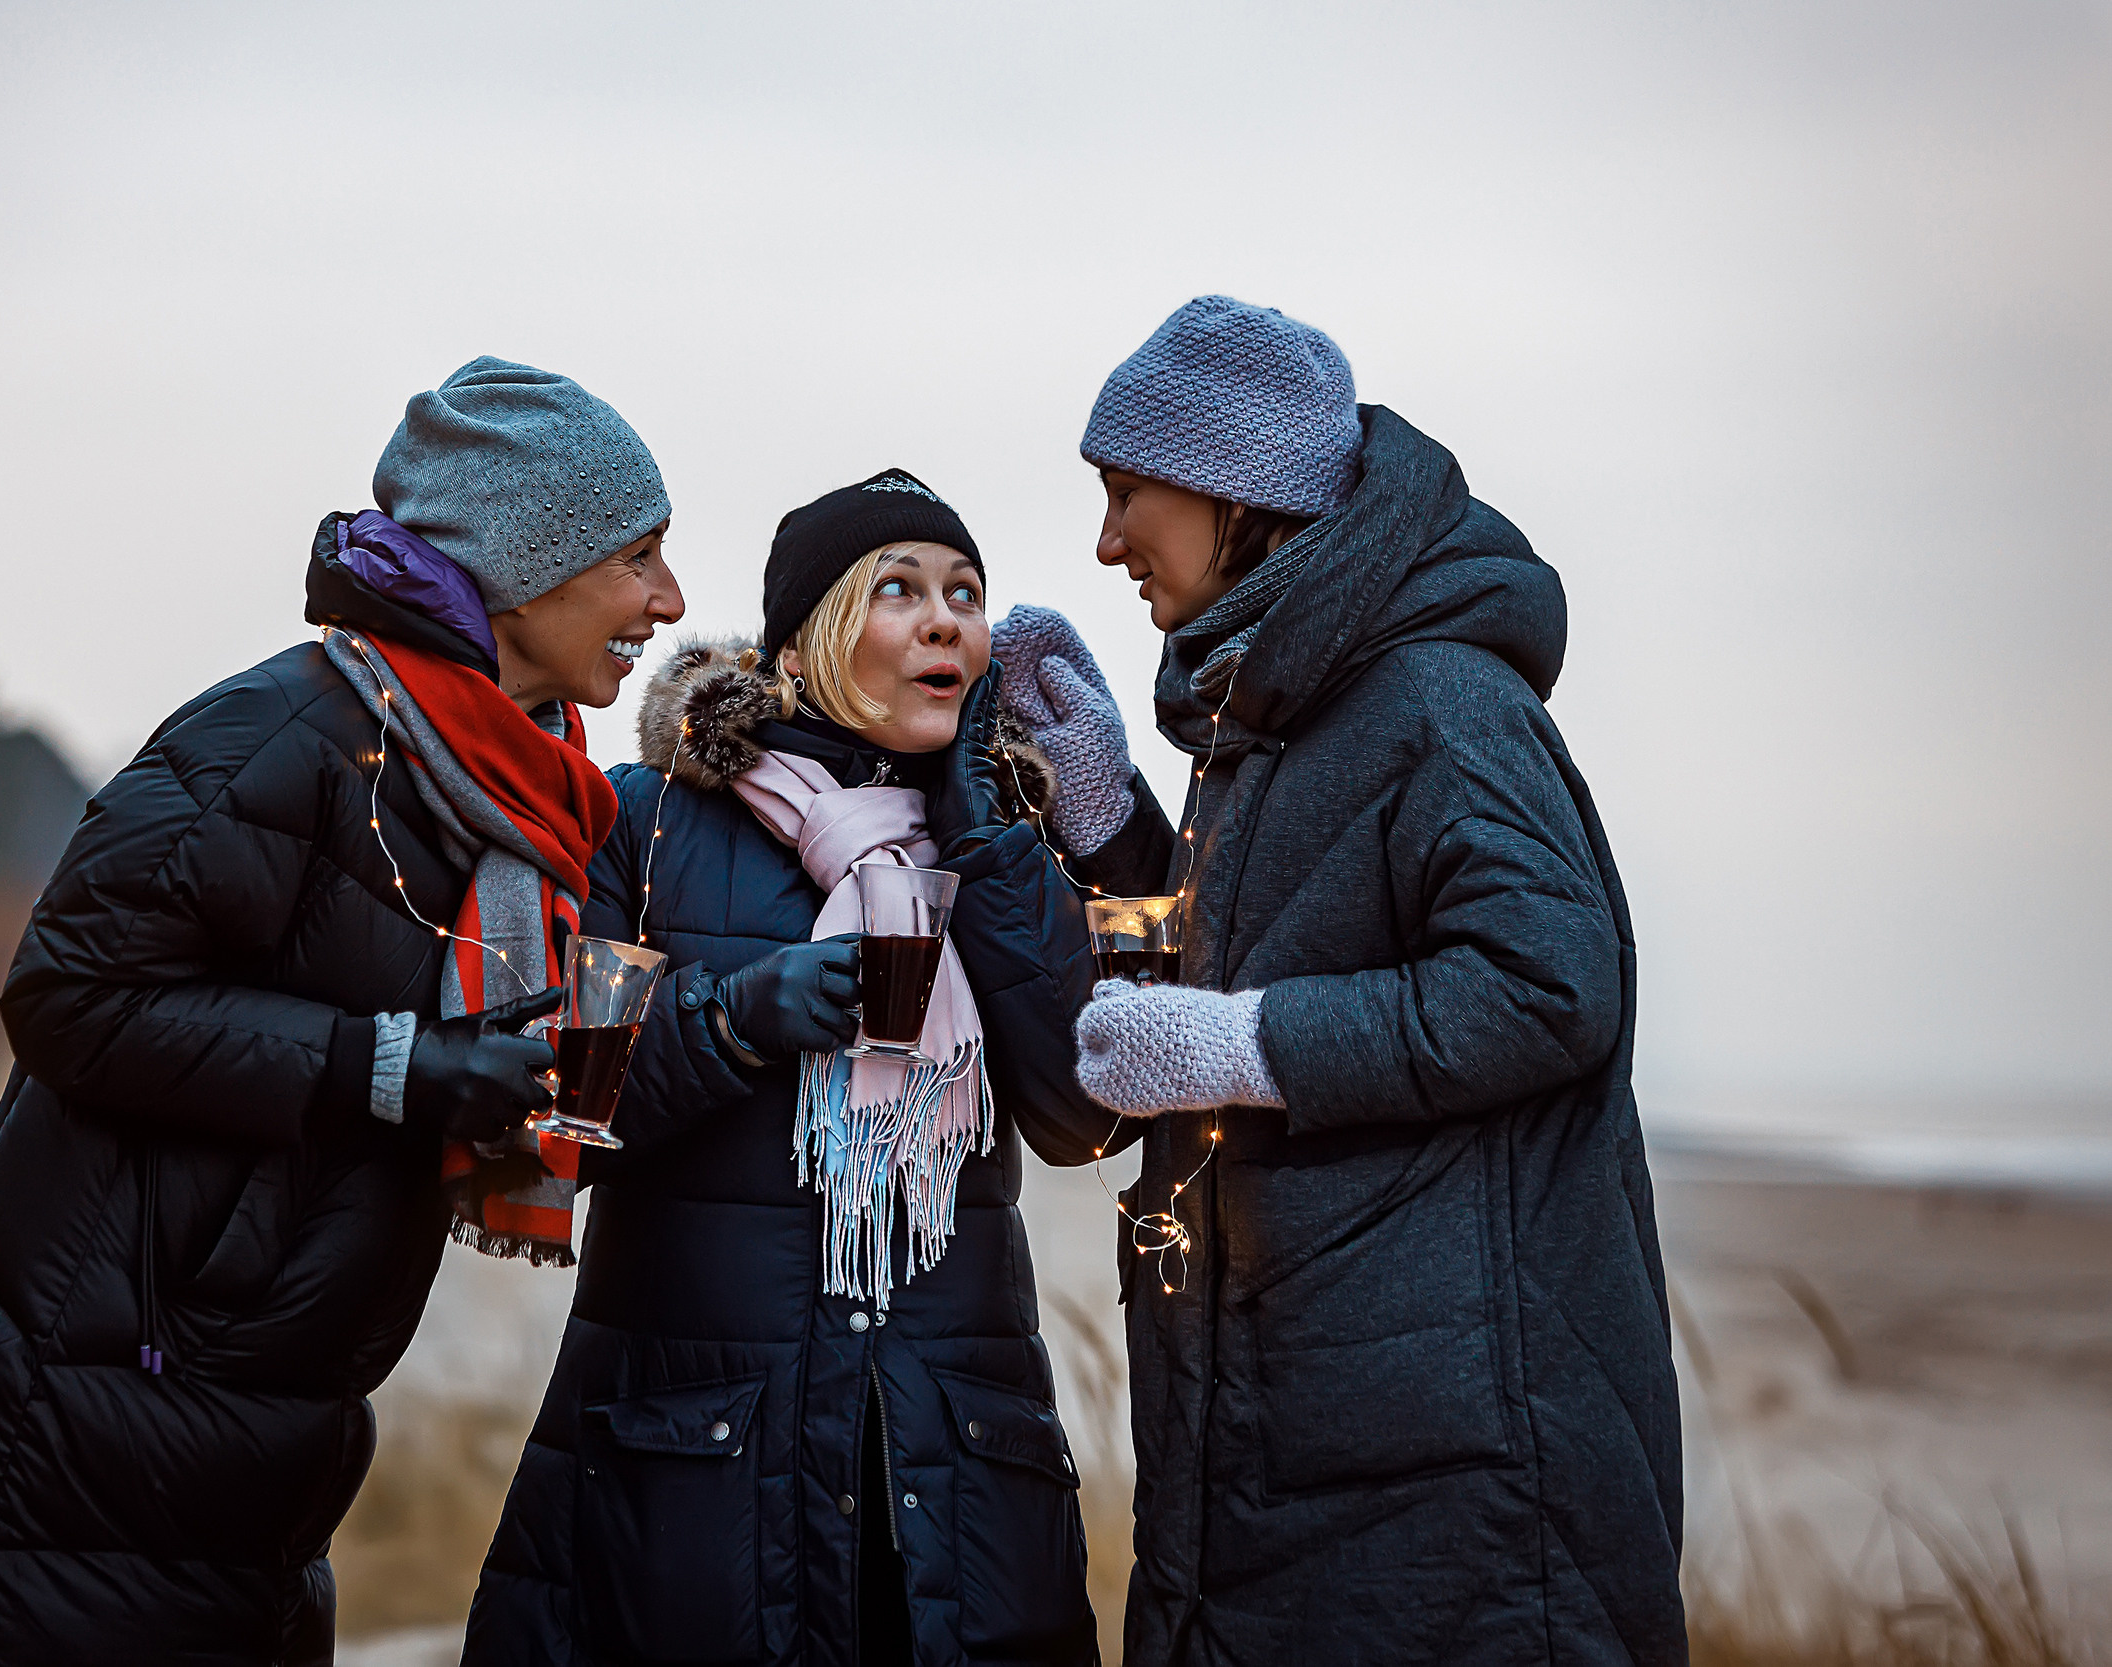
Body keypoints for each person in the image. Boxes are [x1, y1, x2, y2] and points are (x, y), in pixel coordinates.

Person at [0, 358, 684, 1667]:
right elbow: (68, 994)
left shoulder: (504, 785)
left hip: (241, 1456)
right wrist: (397, 1067)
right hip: (77, 1449)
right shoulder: (281, 736)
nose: (666, 600)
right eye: (637, 557)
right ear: (526, 564)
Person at [992, 297, 1685, 1665]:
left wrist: (1244, 1045)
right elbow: (1271, 946)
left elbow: (1549, 985)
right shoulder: (1283, 716)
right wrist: (1109, 821)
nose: (1107, 540)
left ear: (1232, 492)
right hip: (1296, 1444)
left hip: (1451, 1495)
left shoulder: (1440, 704)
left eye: (1127, 493)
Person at [462, 468, 1109, 1667]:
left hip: (955, 1488)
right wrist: (727, 1023)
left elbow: (1084, 1114)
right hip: (694, 1483)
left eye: (965, 593)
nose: (944, 619)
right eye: (898, 589)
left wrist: (990, 844)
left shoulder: (1005, 843)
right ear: (803, 644)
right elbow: (542, 1104)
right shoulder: (646, 819)